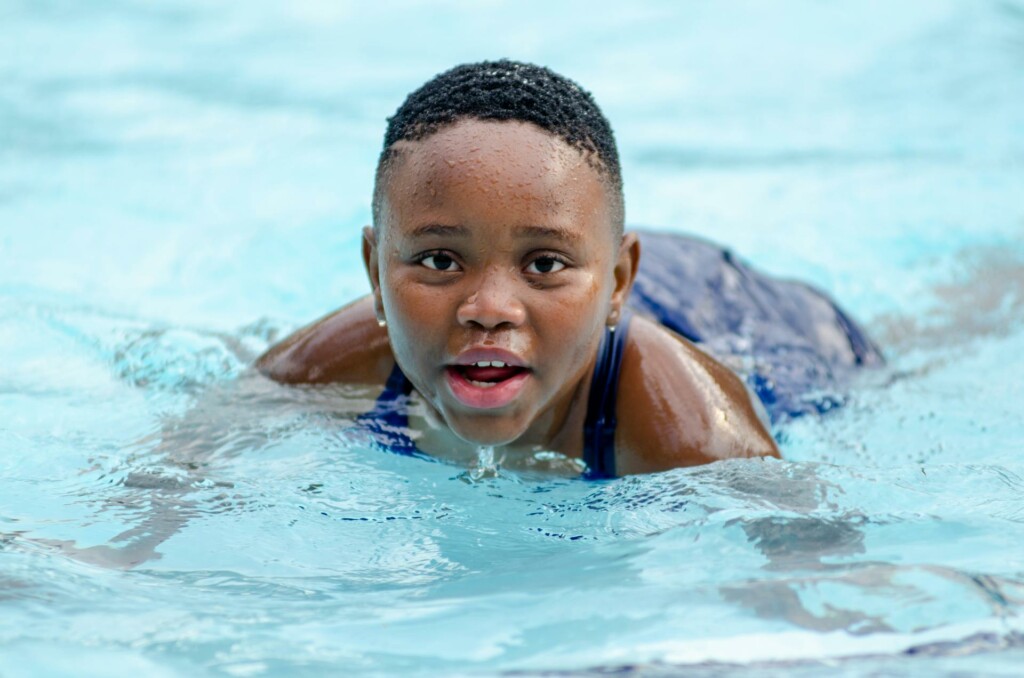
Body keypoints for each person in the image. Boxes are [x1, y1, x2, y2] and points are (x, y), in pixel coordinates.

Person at [256, 60, 881, 478]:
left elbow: (808, 570)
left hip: (748, 320)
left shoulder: (686, 425)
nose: (489, 307)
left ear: (617, 282)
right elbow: (180, 474)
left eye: (541, 263)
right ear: (375, 275)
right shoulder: (332, 366)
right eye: (441, 260)